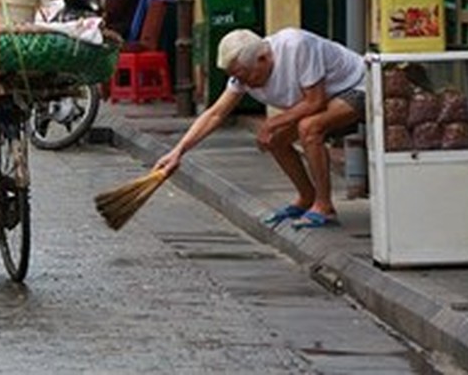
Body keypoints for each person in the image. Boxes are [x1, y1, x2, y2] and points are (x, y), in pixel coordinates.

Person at [153, 28, 366, 229]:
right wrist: (178, 151)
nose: (245, 84)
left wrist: (271, 122)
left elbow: (315, 102)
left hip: (357, 86)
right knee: (275, 140)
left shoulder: (296, 46)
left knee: (309, 128)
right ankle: (306, 197)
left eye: (247, 76)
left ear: (263, 59)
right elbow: (215, 113)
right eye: (238, 78)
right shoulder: (243, 74)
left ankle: (324, 205)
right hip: (325, 97)